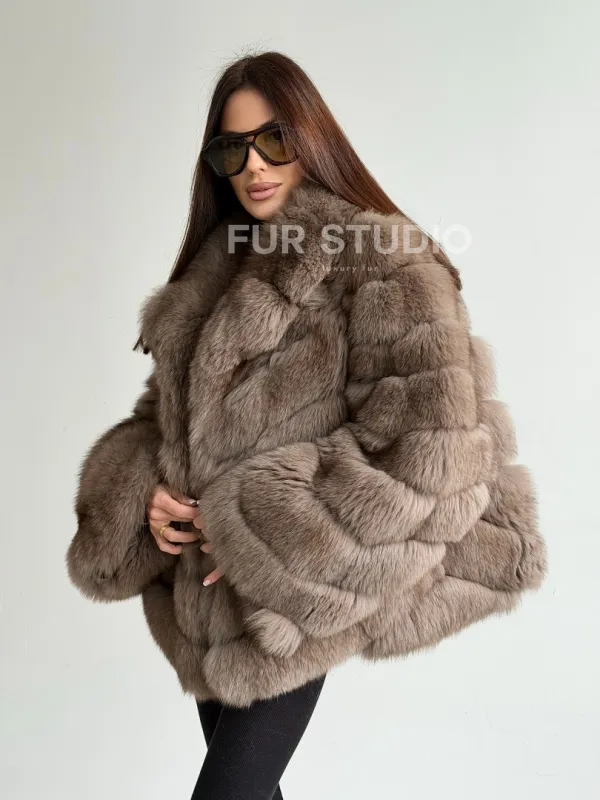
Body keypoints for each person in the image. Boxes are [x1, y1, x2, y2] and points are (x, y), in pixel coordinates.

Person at [65, 51, 547, 800]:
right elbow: (160, 422)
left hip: (305, 595)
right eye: (233, 150)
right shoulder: (213, 276)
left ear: (312, 137)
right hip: (213, 601)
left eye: (273, 140)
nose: (254, 165)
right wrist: (149, 496)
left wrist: (251, 528)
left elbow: (425, 450)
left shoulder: (381, 262)